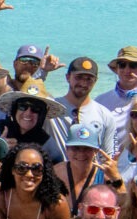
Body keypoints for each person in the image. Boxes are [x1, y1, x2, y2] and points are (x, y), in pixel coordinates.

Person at [49, 57, 119, 194]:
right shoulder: (52, 109)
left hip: (91, 183)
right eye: (79, 77)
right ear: (68, 77)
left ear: (95, 81)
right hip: (57, 180)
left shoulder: (104, 115)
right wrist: (42, 73)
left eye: (89, 79)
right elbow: (27, 97)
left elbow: (106, 156)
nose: (83, 83)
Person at [95, 45, 137, 115]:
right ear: (117, 69)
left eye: (133, 65)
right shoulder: (101, 101)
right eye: (122, 65)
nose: (127, 70)